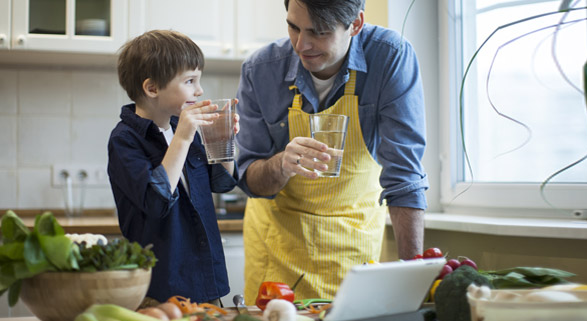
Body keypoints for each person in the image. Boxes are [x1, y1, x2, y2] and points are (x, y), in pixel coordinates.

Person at [235, 0, 428, 302]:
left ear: (356, 24)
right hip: (277, 247)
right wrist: (282, 165)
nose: (302, 44)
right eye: (293, 27)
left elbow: (405, 179)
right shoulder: (260, 70)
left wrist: (416, 288)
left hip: (353, 244)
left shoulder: (389, 57)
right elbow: (250, 180)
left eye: (319, 32)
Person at [107, 29, 239, 304]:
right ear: (152, 88)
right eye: (190, 80)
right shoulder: (125, 140)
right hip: (160, 289)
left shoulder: (181, 127)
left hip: (206, 281)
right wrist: (183, 138)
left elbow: (222, 183)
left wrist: (224, 142)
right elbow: (156, 202)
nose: (199, 90)